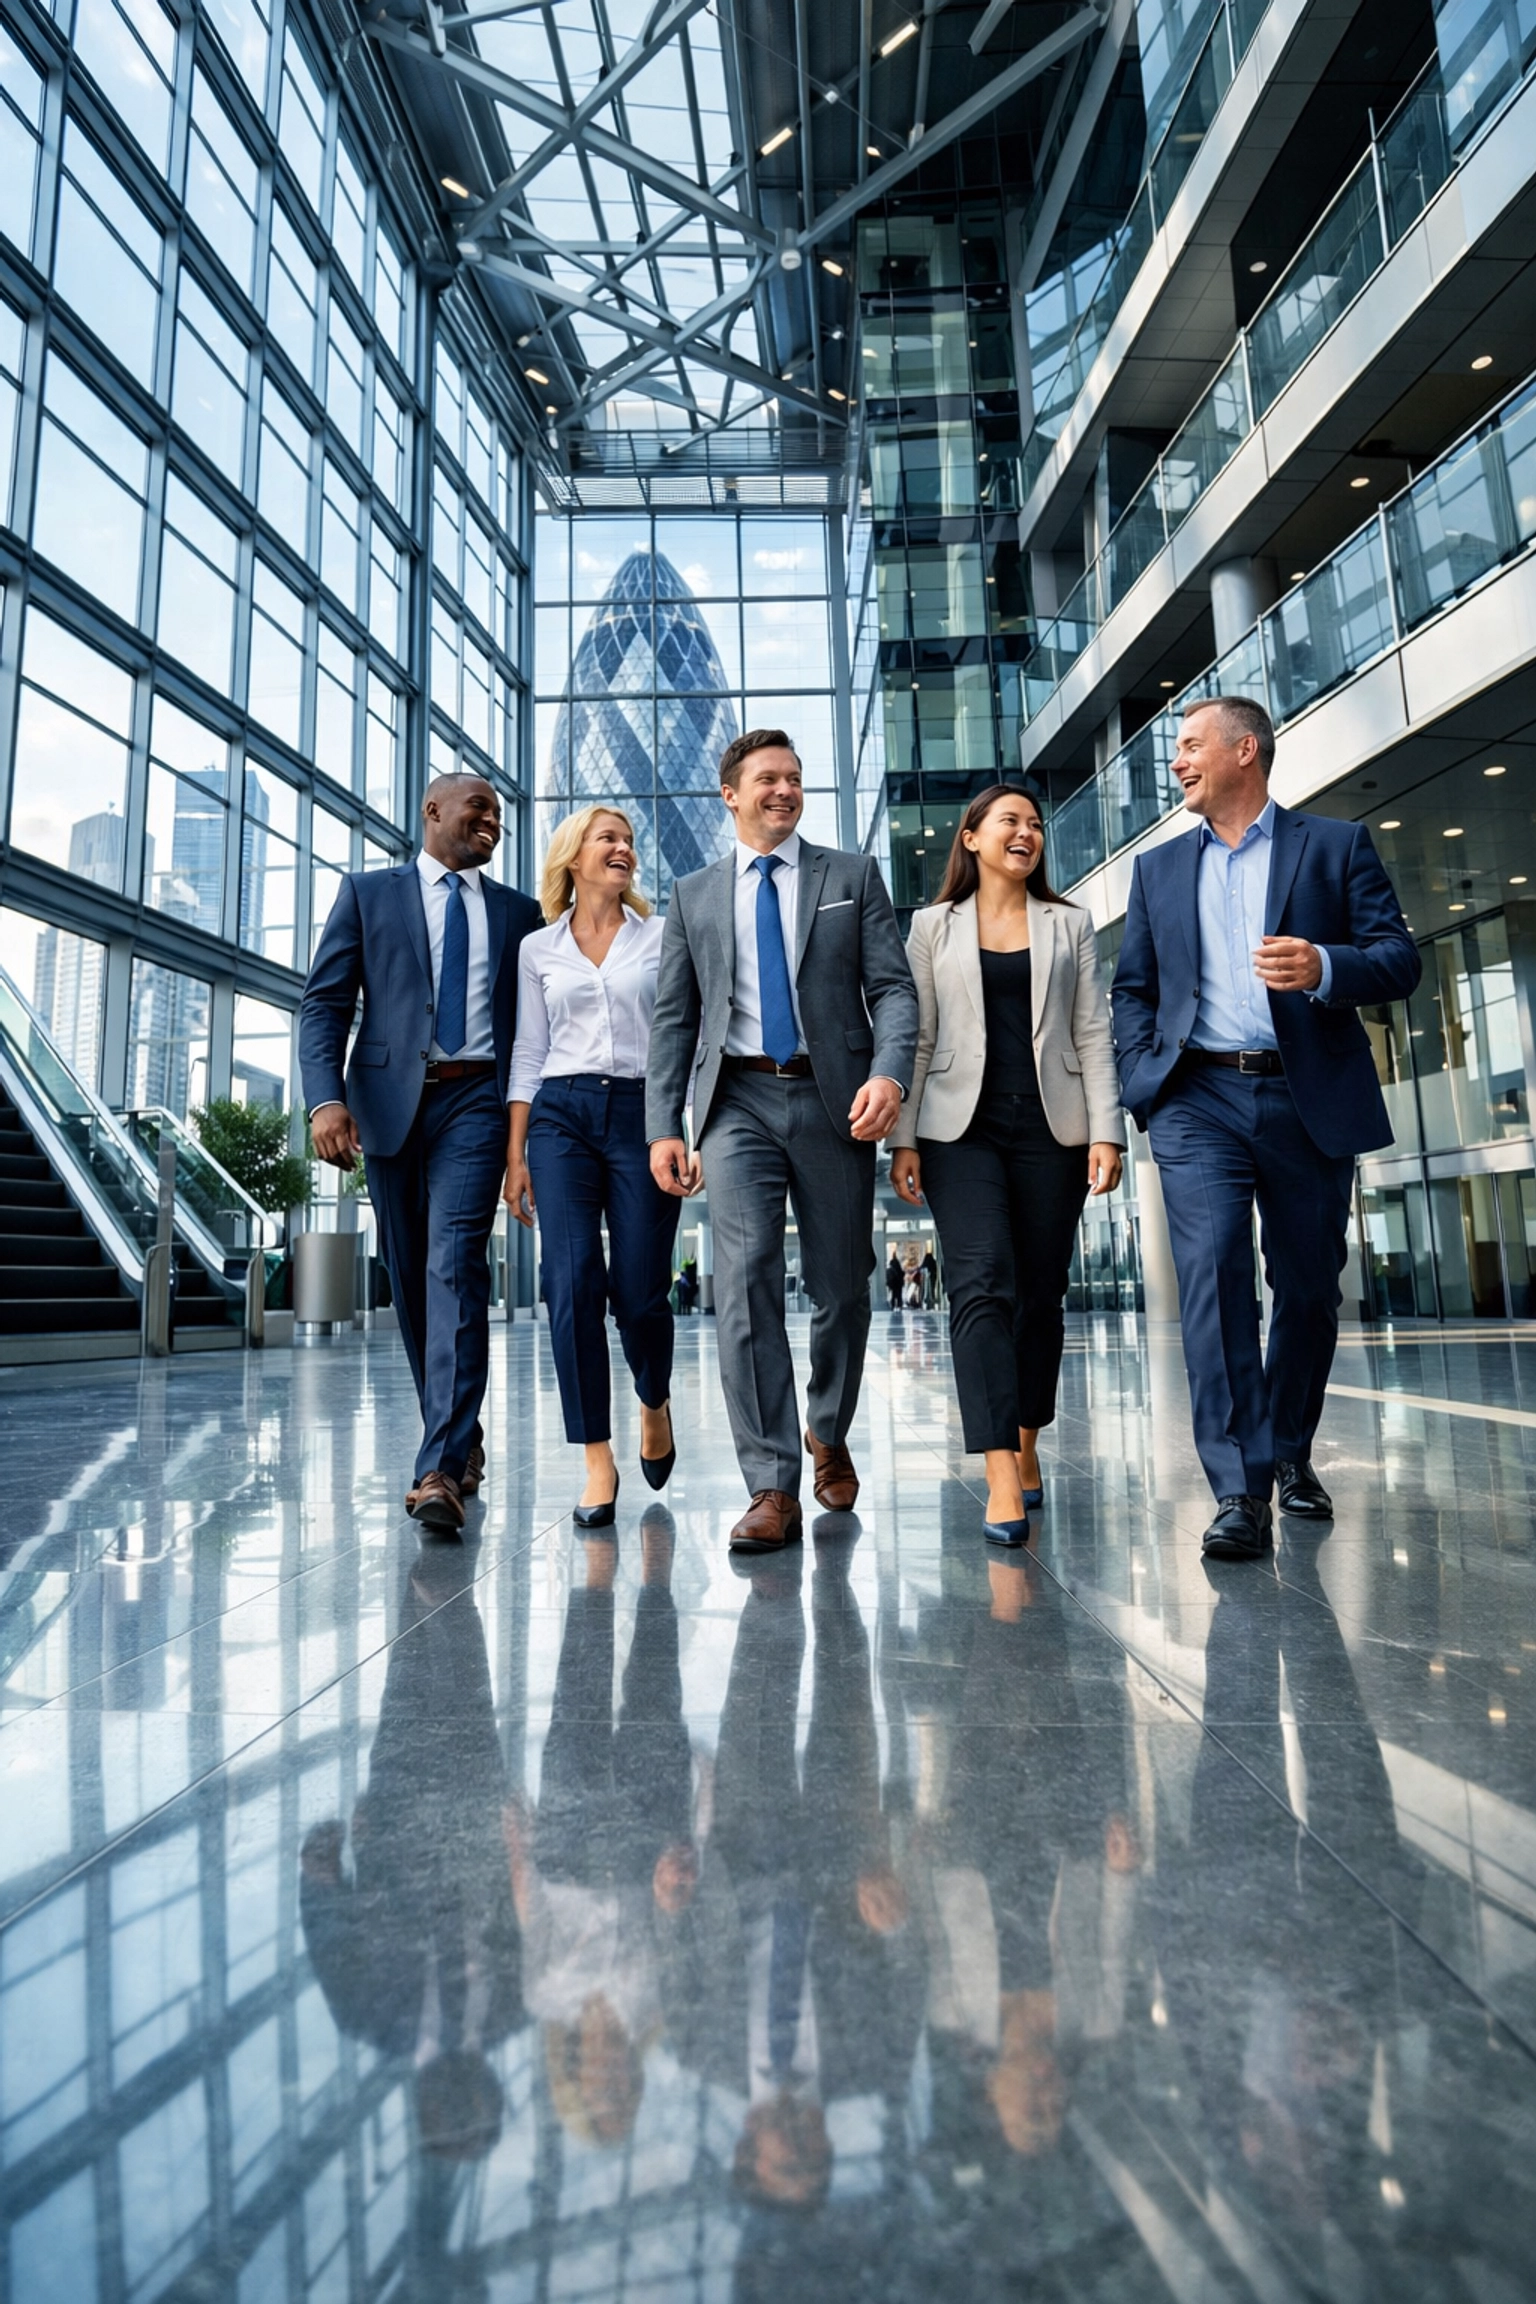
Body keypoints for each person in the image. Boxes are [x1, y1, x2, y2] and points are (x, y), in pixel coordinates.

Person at [1110, 695, 1421, 1560]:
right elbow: (1133, 988)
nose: (1176, 762)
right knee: (1212, 1280)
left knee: (1309, 1285)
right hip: (1196, 1096)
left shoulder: (1335, 846)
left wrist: (1326, 965)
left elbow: (1400, 959)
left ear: (1245, 750)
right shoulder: (1159, 869)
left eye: (1189, 745)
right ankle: (1239, 1488)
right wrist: (1147, 1082)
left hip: (1305, 1096)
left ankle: (1289, 1451)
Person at [646, 730, 918, 1554]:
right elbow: (673, 1019)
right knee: (745, 1279)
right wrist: (665, 1125)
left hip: (835, 1099)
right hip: (736, 1105)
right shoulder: (692, 894)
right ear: (730, 794)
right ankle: (770, 1482)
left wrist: (891, 1077)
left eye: (796, 778)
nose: (785, 790)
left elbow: (894, 990)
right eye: (768, 779)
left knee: (844, 1282)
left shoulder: (851, 875)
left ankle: (826, 1427)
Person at [300, 773, 541, 1531]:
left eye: (500, 816)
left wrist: (524, 1139)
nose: (492, 823)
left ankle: (438, 1465)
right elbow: (326, 1001)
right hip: (388, 1106)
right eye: (480, 809)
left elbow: (531, 1028)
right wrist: (324, 1097)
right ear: (432, 809)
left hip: (476, 1101)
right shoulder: (369, 894)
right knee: (410, 1279)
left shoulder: (518, 914)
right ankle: (459, 1435)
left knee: (454, 1263)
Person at [890, 785, 1124, 1545]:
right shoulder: (930, 926)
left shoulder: (1070, 924)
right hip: (961, 1131)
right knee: (980, 1283)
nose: (1025, 834)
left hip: (1053, 1128)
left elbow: (1093, 1032)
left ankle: (1025, 1441)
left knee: (1041, 1295)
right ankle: (996, 1467)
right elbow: (918, 1039)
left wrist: (1105, 1131)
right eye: (1009, 823)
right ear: (972, 838)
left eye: (1034, 825)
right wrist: (904, 1139)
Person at [504, 805, 684, 1526]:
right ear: (573, 856)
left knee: (640, 1291)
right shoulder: (538, 950)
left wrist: (682, 1128)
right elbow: (527, 1050)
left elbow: (683, 1038)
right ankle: (596, 1458)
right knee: (570, 1278)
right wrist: (516, 1153)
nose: (624, 849)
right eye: (609, 838)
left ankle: (653, 1397)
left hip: (644, 1114)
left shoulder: (665, 938)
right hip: (560, 1116)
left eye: (630, 841)